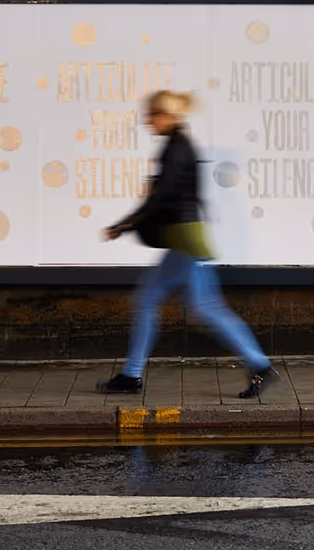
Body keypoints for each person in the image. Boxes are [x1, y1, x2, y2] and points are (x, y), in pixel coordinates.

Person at [99, 89, 279, 400]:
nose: (148, 121)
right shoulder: (177, 145)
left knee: (170, 303)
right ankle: (258, 364)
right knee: (194, 306)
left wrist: (125, 225)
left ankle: (132, 375)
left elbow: (162, 198)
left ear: (168, 116)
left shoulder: (176, 148)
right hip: (185, 239)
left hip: (185, 240)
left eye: (153, 115)